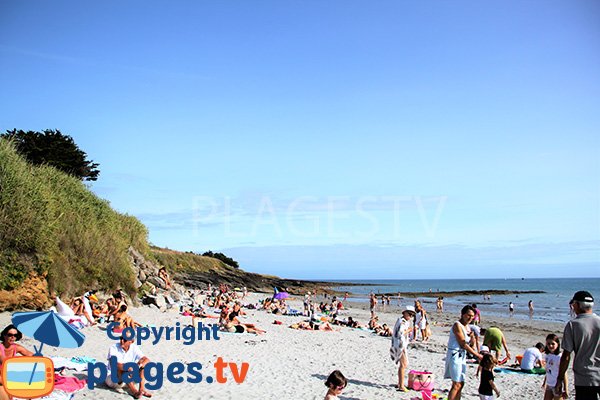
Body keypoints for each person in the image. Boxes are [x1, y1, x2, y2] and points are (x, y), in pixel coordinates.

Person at [556, 291, 600, 400]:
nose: (572, 307)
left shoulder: (573, 325)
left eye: (573, 304)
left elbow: (566, 355)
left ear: (577, 305)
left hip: (584, 377)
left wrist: (560, 379)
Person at [444, 305, 483, 400]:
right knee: (456, 384)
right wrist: (477, 355)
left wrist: (472, 337)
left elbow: (470, 343)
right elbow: (462, 343)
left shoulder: (468, 327)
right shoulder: (457, 325)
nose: (470, 318)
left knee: (461, 383)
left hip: (462, 356)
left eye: (472, 316)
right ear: (462, 314)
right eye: (468, 315)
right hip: (455, 355)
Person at [0, 325, 34, 400]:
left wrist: (39, 356)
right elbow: (6, 363)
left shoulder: (16, 347)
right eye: (10, 335)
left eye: (15, 335)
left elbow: (31, 355)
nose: (13, 337)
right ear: (4, 335)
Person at [391, 306, 415, 392]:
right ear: (405, 313)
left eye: (412, 315)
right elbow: (400, 333)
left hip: (400, 345)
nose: (411, 316)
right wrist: (409, 330)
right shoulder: (402, 322)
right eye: (410, 314)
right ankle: (401, 385)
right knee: (403, 365)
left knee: (403, 364)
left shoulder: (403, 321)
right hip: (400, 345)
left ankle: (399, 383)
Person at [543, 334, 568, 400]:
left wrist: (566, 388)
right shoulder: (547, 355)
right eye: (548, 344)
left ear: (557, 344)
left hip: (557, 385)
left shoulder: (559, 357)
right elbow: (548, 370)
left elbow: (564, 373)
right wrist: (544, 382)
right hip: (549, 384)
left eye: (553, 344)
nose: (550, 346)